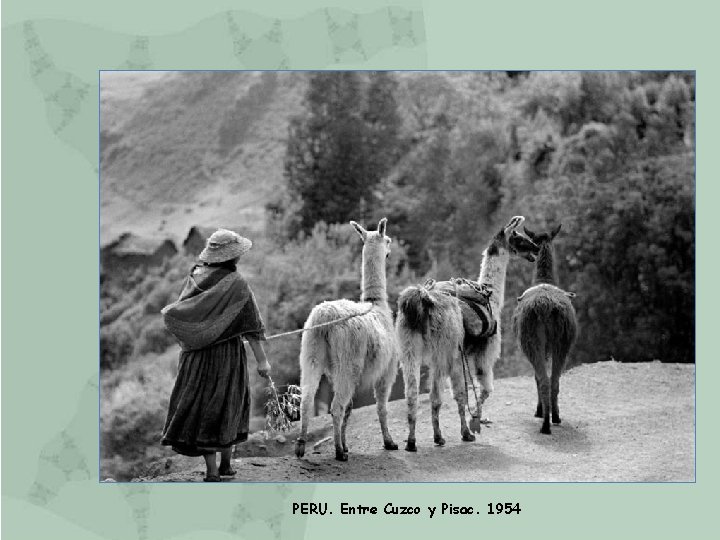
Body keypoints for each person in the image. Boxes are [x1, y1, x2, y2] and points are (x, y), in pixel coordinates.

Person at [160, 228, 271, 482]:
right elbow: (252, 327)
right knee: (227, 405)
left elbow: (186, 315)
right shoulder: (237, 284)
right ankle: (226, 466)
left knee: (203, 409)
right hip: (226, 358)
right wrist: (262, 361)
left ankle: (212, 471)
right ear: (233, 257)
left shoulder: (194, 277)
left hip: (195, 358)